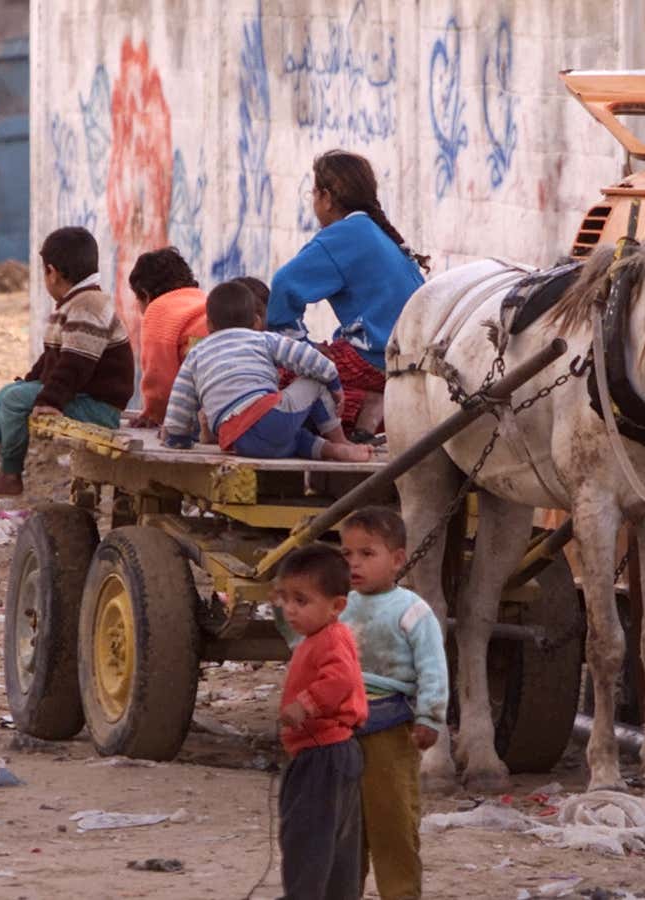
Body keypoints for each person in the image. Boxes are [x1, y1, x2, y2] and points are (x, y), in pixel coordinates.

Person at [267, 150, 427, 439]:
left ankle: (363, 406)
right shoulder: (377, 232)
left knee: (275, 374)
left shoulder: (345, 234)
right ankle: (368, 414)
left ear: (326, 197)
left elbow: (283, 284)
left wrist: (298, 344)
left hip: (373, 360)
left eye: (313, 193)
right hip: (404, 361)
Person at [0, 227, 132, 496]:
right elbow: (51, 358)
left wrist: (49, 401)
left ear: (52, 273)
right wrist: (31, 381)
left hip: (99, 407)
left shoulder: (88, 306)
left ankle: (10, 474)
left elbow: (74, 365)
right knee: (11, 392)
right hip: (82, 396)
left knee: (15, 399)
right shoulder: (75, 303)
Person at [338, 507, 446, 900]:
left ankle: (400, 894)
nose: (354, 564)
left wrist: (430, 716)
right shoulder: (341, 607)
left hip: (390, 729)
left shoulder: (411, 610)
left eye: (367, 554)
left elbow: (433, 667)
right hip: (341, 730)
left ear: (398, 559)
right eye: (347, 554)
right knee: (343, 827)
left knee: (393, 823)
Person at [161, 282, 371, 462]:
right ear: (257, 321)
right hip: (270, 419)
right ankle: (340, 443)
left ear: (208, 325)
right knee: (315, 381)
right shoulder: (262, 339)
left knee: (295, 438)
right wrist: (334, 384)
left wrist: (177, 437)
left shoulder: (196, 354)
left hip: (238, 441)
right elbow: (312, 360)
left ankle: (332, 450)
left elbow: (180, 400)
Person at [273, 543, 368, 900]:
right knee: (336, 842)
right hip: (333, 753)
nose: (290, 609)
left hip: (322, 754)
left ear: (337, 606)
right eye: (286, 599)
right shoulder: (319, 636)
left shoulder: (330, 639)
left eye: (301, 601)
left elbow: (341, 679)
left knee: (307, 838)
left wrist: (306, 704)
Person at [127, 246, 208, 426]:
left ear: (145, 296)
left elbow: (160, 378)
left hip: (197, 412)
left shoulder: (158, 310)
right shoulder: (205, 300)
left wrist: (153, 414)